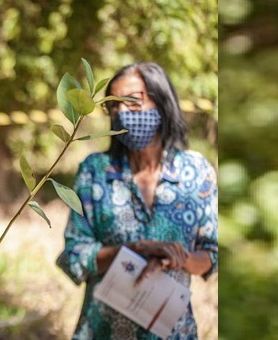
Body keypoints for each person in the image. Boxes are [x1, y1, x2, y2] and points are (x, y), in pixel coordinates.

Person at [56, 62, 218, 340]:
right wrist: (135, 250)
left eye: (132, 101)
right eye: (114, 107)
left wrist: (177, 258)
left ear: (162, 100)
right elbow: (74, 254)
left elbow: (212, 254)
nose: (122, 113)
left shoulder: (196, 172)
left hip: (172, 331)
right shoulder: (95, 172)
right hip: (103, 330)